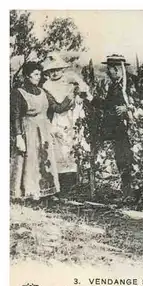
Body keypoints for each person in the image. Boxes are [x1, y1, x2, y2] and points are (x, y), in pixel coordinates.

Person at [42, 52, 92, 194]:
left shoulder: (70, 77)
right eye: (51, 71)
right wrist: (69, 98)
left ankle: (76, 183)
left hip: (74, 116)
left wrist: (79, 95)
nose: (55, 73)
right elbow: (55, 106)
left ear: (62, 69)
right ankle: (62, 185)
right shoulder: (47, 85)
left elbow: (84, 87)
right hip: (58, 117)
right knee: (60, 150)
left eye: (57, 70)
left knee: (75, 146)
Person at [10, 62, 61, 201]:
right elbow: (14, 116)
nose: (38, 77)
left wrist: (73, 97)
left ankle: (47, 192)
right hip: (28, 130)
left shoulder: (43, 92)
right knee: (30, 161)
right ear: (27, 76)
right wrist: (18, 136)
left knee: (45, 160)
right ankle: (30, 192)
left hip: (43, 131)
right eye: (35, 74)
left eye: (39, 74)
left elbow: (57, 107)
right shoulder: (18, 92)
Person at [92, 54, 137, 200]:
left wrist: (128, 108)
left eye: (109, 69)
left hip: (133, 130)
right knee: (121, 159)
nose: (107, 72)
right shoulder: (114, 85)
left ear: (118, 69)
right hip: (119, 130)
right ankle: (127, 192)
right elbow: (108, 105)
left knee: (132, 158)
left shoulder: (132, 83)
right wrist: (91, 99)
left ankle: (135, 192)